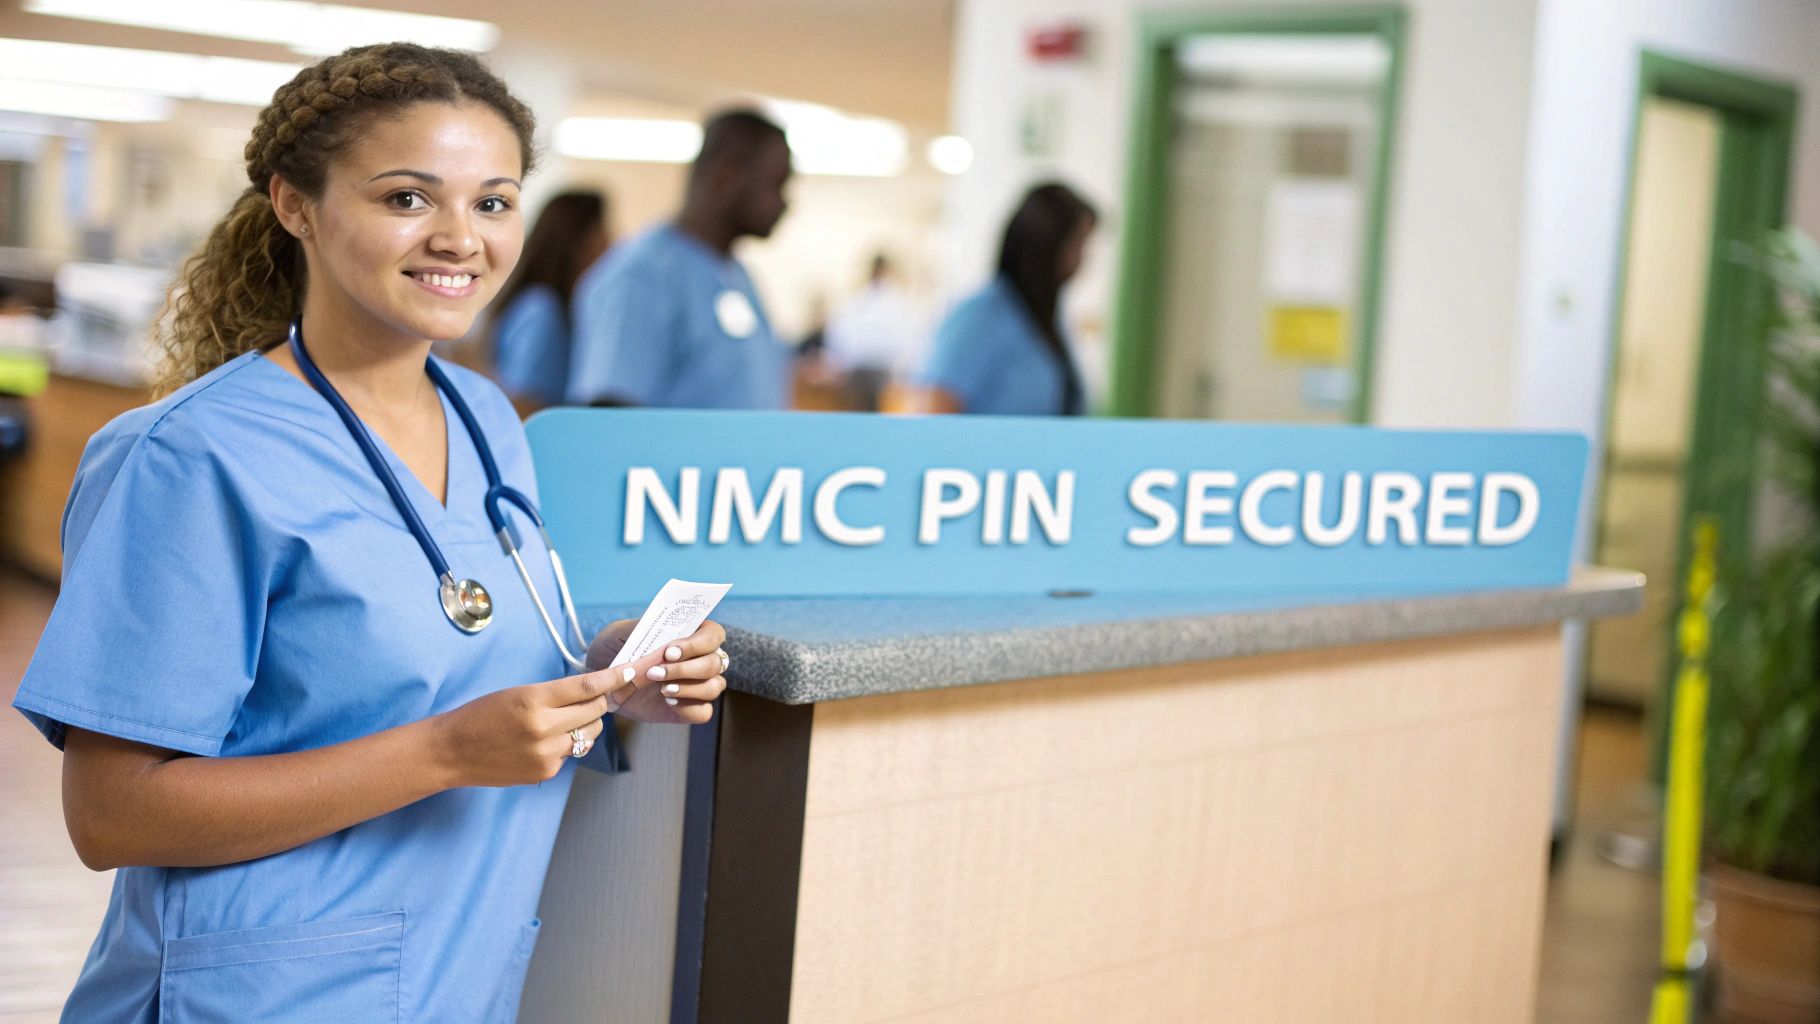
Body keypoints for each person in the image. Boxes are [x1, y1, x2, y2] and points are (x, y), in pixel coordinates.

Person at [10, 43, 730, 1023]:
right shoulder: (189, 457)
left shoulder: (486, 421)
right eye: (406, 198)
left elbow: (467, 654)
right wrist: (444, 751)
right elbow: (112, 813)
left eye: (492, 201)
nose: (459, 237)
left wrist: (612, 673)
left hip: (453, 976)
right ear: (294, 205)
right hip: (258, 994)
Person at [566, 108, 793, 408]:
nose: (786, 203)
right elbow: (608, 418)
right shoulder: (642, 277)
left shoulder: (738, 276)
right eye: (776, 185)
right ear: (725, 176)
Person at [907, 183, 1097, 416]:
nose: (1083, 258)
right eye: (1077, 243)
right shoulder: (980, 317)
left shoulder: (1046, 321)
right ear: (1047, 243)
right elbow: (935, 407)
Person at [489, 188, 608, 409]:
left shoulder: (554, 307)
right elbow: (526, 405)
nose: (612, 246)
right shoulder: (542, 310)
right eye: (603, 236)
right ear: (578, 245)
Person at [821, 253, 925, 411]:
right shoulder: (898, 304)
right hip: (882, 374)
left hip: (862, 374)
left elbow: (838, 341)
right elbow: (911, 344)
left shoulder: (857, 303)